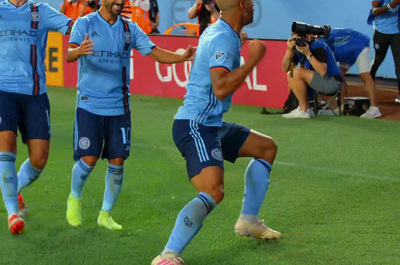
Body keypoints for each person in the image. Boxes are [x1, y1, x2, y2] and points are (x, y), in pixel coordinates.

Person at [152, 0, 281, 264]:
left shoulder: (220, 30)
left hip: (211, 123)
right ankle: (167, 255)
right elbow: (221, 88)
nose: (255, 6)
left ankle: (248, 221)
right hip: (196, 125)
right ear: (243, 6)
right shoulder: (223, 36)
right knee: (213, 191)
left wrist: (238, 41)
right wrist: (252, 61)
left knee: (266, 148)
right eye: (251, 2)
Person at [65, 0, 196, 230]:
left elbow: (155, 52)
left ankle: (105, 214)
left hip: (119, 106)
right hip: (89, 104)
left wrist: (181, 57)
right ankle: (74, 197)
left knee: (117, 162)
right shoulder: (85, 23)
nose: (120, 2)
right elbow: (68, 54)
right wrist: (78, 51)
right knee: (89, 160)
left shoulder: (129, 29)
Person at [0, 0, 73, 235]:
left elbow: (72, 26)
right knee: (6, 150)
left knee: (39, 159)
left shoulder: (40, 10)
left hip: (35, 95)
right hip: (3, 92)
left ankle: (14, 188)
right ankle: (12, 213)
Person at [320, 28, 382, 118]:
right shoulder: (318, 40)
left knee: (365, 75)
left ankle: (374, 109)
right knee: (339, 75)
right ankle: (342, 106)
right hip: (346, 51)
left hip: (360, 44)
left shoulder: (320, 42)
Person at [282, 33, 343, 119]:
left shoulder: (319, 46)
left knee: (296, 72)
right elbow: (285, 68)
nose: (298, 42)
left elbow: (322, 72)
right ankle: (305, 109)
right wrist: (289, 50)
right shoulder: (299, 50)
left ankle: (303, 111)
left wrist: (308, 54)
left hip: (332, 82)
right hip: (317, 83)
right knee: (291, 74)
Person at [370, 0, 400, 103]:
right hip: (381, 32)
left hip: (397, 32)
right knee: (378, 60)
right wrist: (391, 5)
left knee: (399, 63)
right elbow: (375, 11)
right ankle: (370, 80)